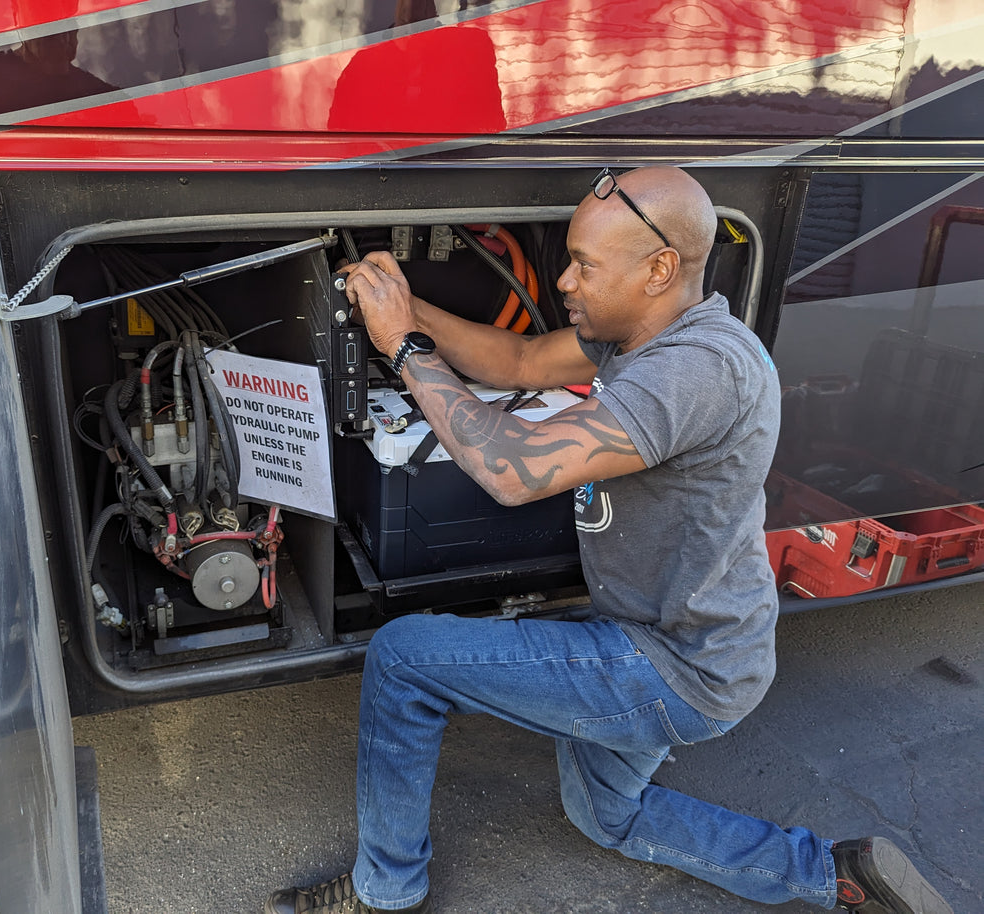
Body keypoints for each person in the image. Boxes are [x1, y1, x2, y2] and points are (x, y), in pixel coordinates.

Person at [265, 166, 953, 914]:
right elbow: (517, 361)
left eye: (585, 265)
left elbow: (512, 469)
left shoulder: (696, 370)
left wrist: (401, 346)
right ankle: (833, 877)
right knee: (608, 815)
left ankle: (385, 891)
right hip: (670, 638)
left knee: (404, 661)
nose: (565, 280)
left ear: (659, 269)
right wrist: (395, 308)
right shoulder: (648, 338)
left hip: (676, 664)